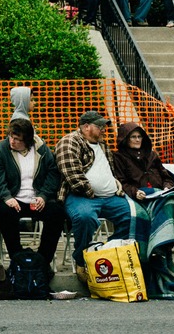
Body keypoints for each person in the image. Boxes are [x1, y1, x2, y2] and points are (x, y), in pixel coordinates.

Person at [55, 111, 130, 267]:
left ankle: (105, 250)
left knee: (136, 215)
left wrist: (116, 186)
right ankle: (82, 258)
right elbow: (73, 176)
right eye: (100, 126)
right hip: (81, 196)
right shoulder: (70, 141)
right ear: (86, 127)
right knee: (85, 217)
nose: (104, 129)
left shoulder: (102, 145)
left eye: (104, 126)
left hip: (111, 197)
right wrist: (93, 192)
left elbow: (110, 170)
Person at [0, 117, 66, 266]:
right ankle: (17, 258)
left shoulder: (41, 148)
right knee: (5, 213)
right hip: (13, 198)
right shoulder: (1, 149)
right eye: (11, 136)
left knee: (56, 213)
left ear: (28, 140)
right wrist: (6, 197)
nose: (12, 141)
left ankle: (43, 260)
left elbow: (53, 173)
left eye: (17, 139)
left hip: (36, 199)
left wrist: (43, 196)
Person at [110, 121, 174, 201]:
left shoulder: (151, 155)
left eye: (139, 137)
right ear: (125, 139)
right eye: (133, 137)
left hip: (160, 193)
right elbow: (121, 182)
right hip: (138, 197)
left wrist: (167, 187)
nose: (137, 140)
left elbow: (166, 176)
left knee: (172, 203)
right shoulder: (119, 157)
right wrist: (135, 192)